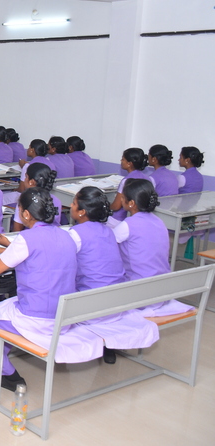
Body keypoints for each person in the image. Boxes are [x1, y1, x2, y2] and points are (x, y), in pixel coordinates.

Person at [0, 188, 102, 391]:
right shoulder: (67, 236)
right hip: (62, 316)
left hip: (33, 318)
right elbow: (38, 253)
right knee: (3, 309)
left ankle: (9, 376)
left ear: (25, 214)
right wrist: (7, 247)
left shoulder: (26, 239)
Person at [67, 186, 159, 364]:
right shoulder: (109, 231)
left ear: (82, 212)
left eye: (74, 203)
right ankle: (108, 347)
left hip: (91, 306)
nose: (70, 206)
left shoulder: (75, 234)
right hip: (116, 303)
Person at [114, 179, 195, 318]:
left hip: (139, 291)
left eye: (123, 197)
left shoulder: (127, 225)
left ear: (131, 203)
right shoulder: (159, 222)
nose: (121, 199)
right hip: (162, 288)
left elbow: (107, 247)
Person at [109, 147, 154, 221]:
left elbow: (116, 206)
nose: (121, 161)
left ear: (129, 163)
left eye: (123, 159)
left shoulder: (126, 181)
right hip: (140, 217)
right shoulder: (148, 179)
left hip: (119, 218)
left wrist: (105, 207)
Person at [13, 162, 61, 231]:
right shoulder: (56, 200)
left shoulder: (24, 199)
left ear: (31, 182)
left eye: (26, 177)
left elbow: (17, 229)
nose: (24, 179)